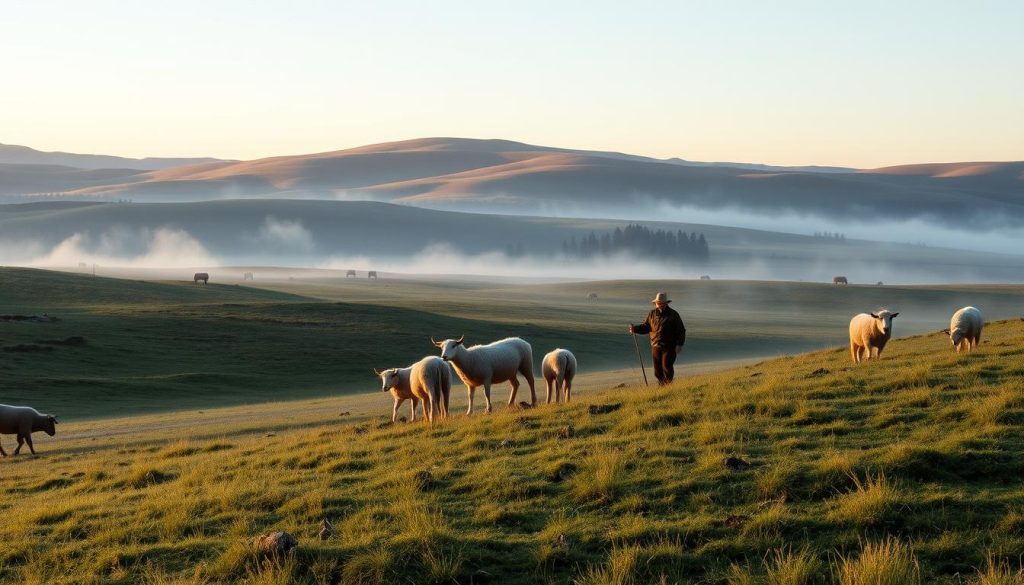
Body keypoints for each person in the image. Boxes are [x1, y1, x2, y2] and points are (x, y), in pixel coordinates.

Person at [629, 292, 686, 385]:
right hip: (655, 345)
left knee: (666, 366)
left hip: (669, 346)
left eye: (662, 303)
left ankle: (668, 386)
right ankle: (662, 385)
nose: (660, 305)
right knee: (657, 370)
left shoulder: (673, 315)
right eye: (658, 303)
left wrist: (679, 344)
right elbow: (646, 327)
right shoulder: (652, 314)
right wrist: (635, 329)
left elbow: (681, 330)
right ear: (655, 303)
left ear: (666, 303)